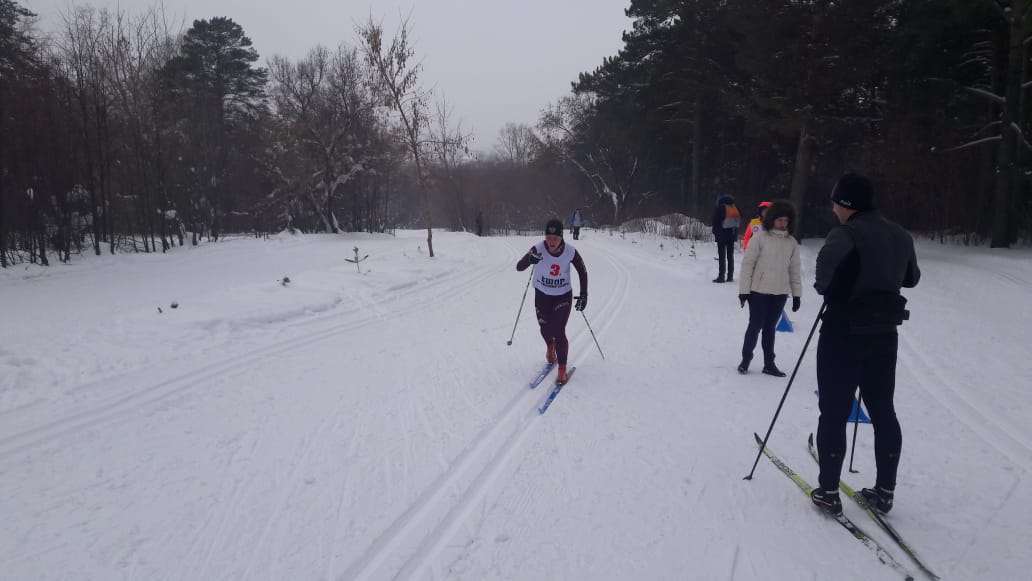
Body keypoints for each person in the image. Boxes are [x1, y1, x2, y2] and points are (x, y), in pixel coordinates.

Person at [809, 173, 921, 516]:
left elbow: (823, 281)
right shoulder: (899, 234)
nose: (833, 207)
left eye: (835, 202)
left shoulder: (845, 233)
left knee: (834, 412)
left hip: (843, 333)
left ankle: (828, 492)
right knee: (883, 411)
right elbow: (911, 278)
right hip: (884, 335)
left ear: (846, 205)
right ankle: (885, 491)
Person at [515, 219, 588, 385]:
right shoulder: (538, 249)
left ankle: (562, 368)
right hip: (542, 295)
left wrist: (584, 294)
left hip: (562, 295)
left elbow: (582, 272)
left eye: (555, 238)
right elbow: (519, 267)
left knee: (558, 329)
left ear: (562, 237)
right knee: (544, 328)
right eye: (548, 238)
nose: (551, 242)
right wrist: (529, 259)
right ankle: (550, 346)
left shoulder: (570, 252)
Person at [736, 200, 801, 376]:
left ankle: (769, 363)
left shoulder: (792, 243)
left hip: (780, 292)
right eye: (779, 220)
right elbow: (747, 265)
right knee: (755, 325)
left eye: (786, 220)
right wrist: (744, 291)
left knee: (770, 328)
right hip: (758, 291)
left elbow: (794, 270)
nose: (783, 223)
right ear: (772, 219)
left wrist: (796, 295)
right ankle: (746, 359)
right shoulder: (759, 238)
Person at [711, 194, 741, 283]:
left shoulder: (720, 208)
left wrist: (715, 232)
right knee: (730, 256)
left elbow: (715, 221)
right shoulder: (734, 207)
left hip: (721, 235)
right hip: (732, 235)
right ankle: (730, 276)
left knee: (722, 256)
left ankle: (721, 277)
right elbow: (740, 216)